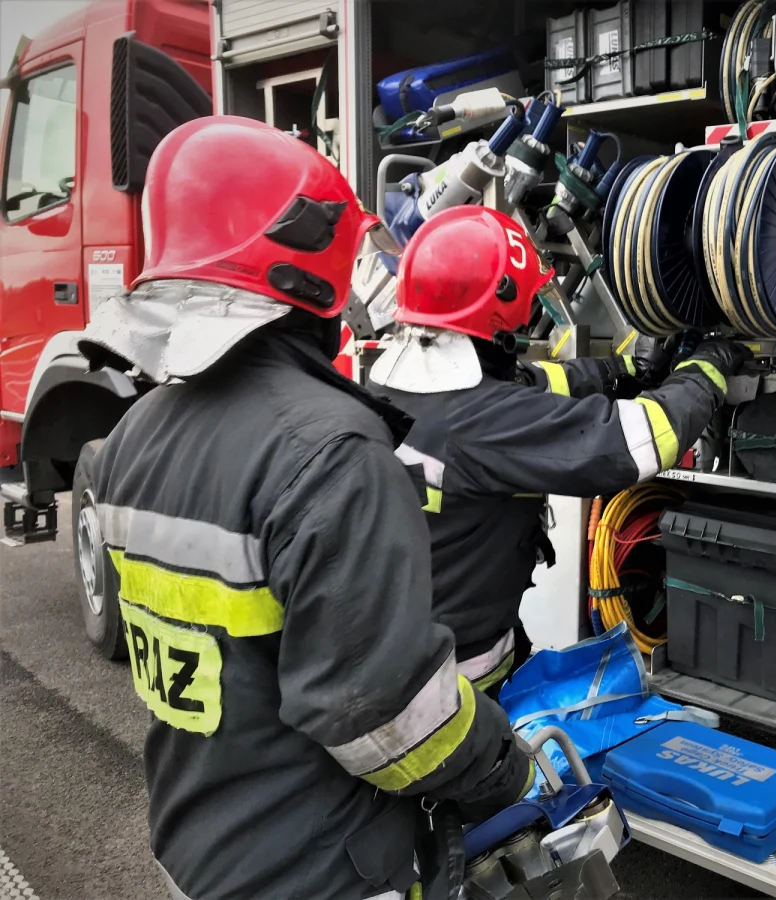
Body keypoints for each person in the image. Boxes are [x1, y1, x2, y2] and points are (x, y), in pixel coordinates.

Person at [77, 117, 532, 900]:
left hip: (193, 847)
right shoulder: (333, 456)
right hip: (317, 873)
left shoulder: (131, 436)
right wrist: (504, 766)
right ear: (306, 270)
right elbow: (386, 720)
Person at [368, 205, 752, 696]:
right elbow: (642, 438)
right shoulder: (488, 420)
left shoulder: (388, 386)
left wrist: (623, 372)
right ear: (501, 307)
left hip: (405, 646)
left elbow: (532, 383)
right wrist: (705, 369)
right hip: (458, 681)